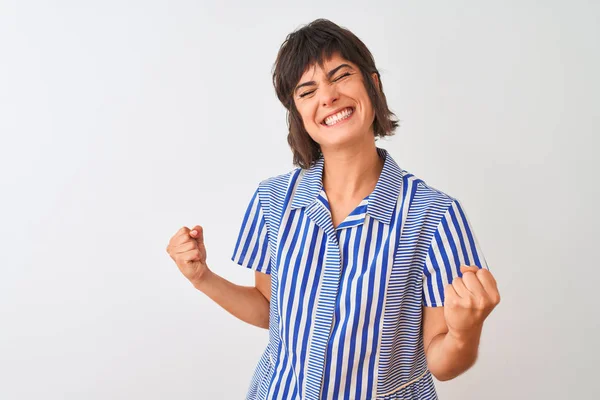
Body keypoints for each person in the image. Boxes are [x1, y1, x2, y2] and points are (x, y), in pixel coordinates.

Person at [166, 18, 500, 400]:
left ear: (372, 85)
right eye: (307, 91)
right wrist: (202, 277)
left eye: (340, 76)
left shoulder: (434, 216)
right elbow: (268, 310)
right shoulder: (272, 201)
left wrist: (465, 332)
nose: (328, 97)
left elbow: (442, 363)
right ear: (299, 114)